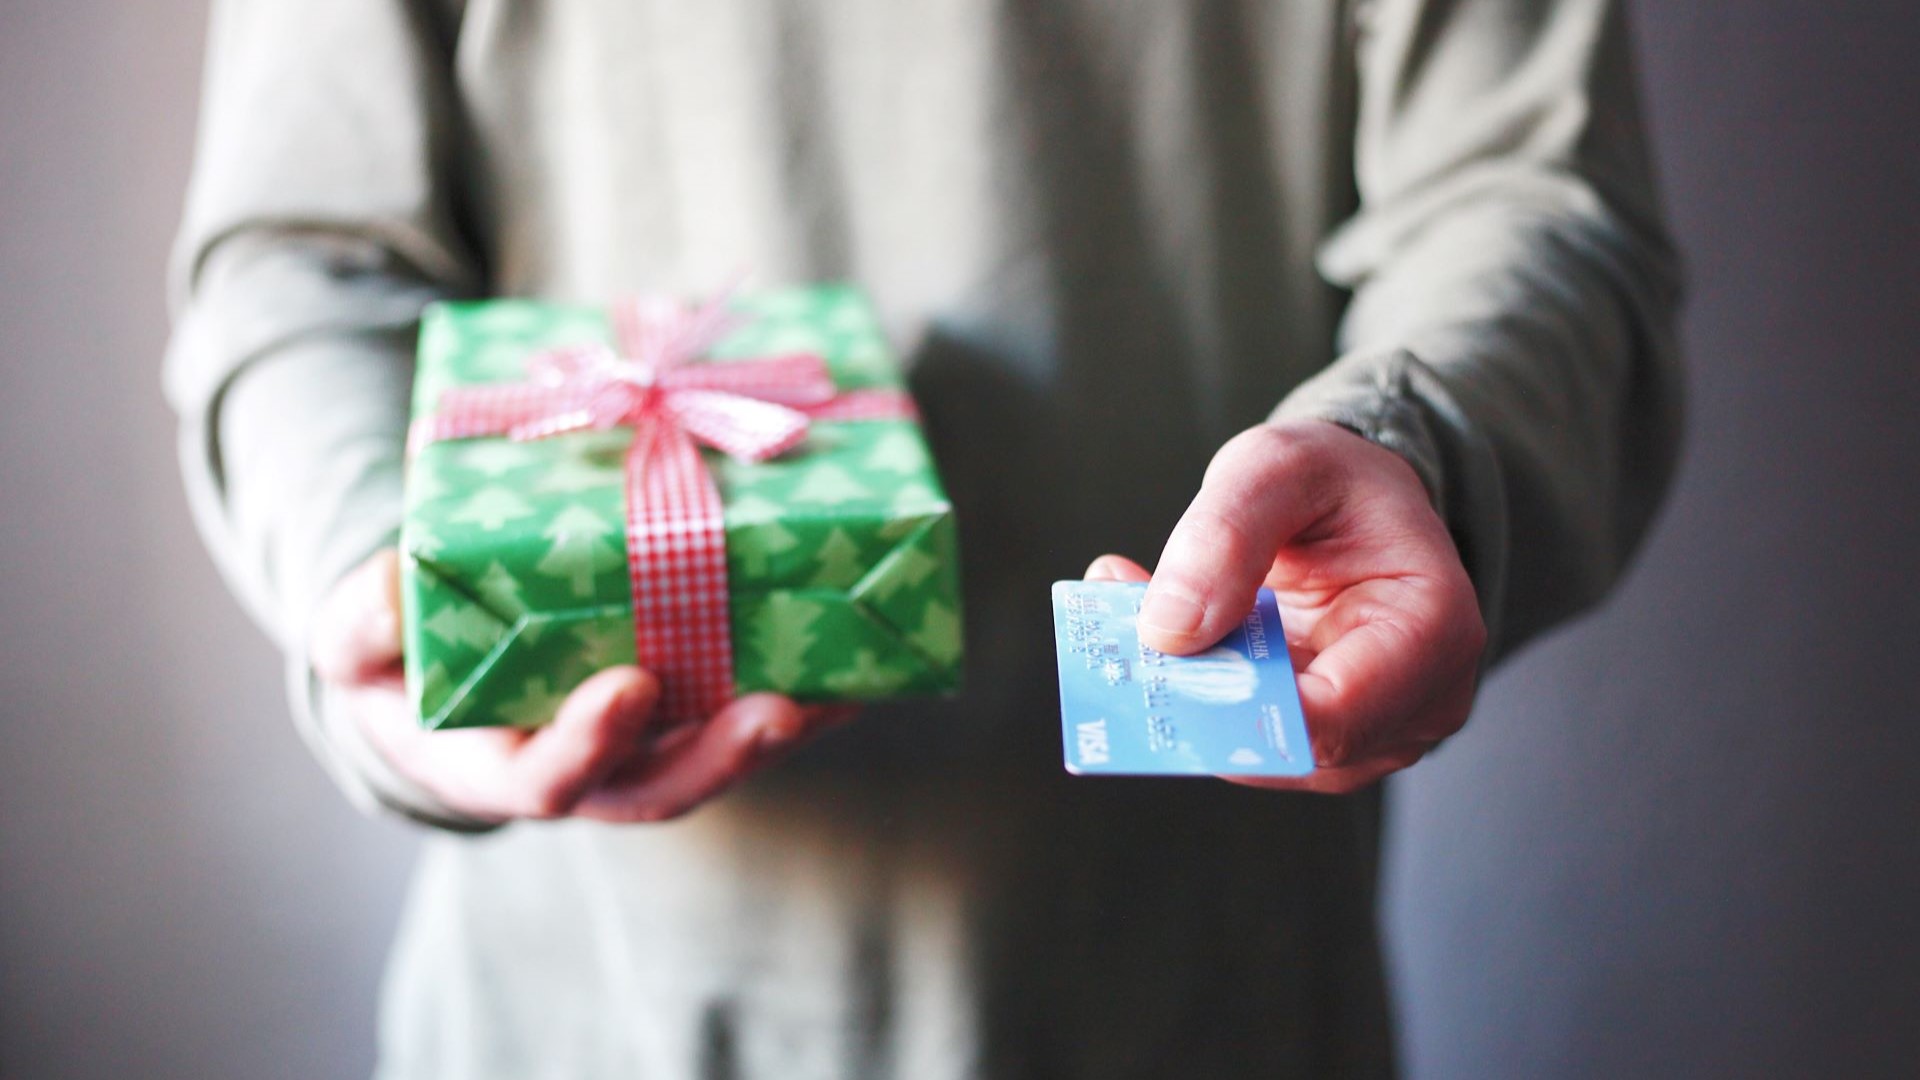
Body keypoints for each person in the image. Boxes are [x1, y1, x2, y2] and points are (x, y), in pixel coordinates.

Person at [165, 0, 1681, 1075]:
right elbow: (305, 257)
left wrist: (1424, 441)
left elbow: (1529, 192)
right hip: (586, 1015)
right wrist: (386, 589)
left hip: (1207, 997)